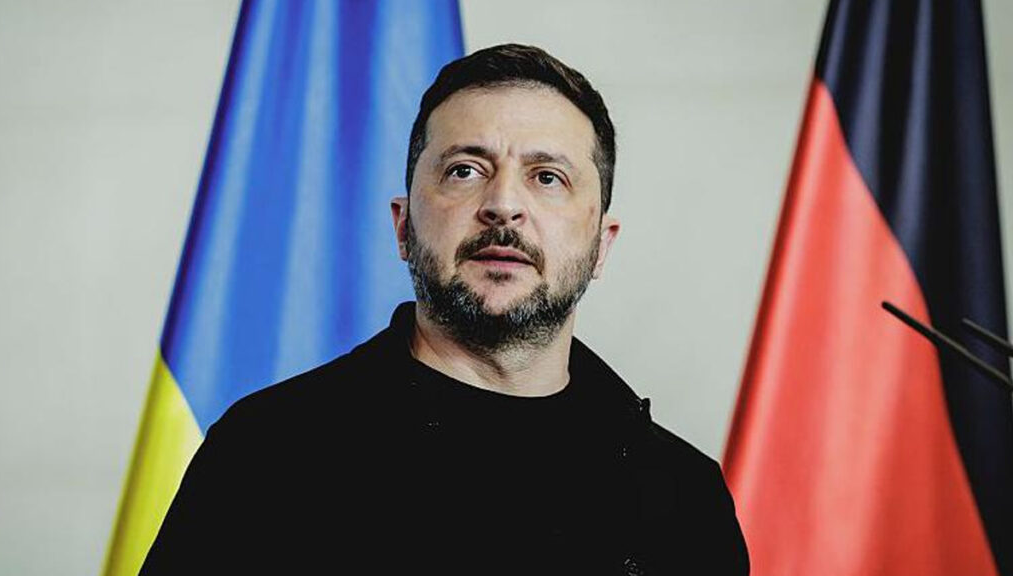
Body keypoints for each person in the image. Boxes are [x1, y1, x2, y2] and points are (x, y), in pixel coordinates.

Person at [140, 43, 748, 575]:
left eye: (547, 177)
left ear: (601, 244)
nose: (503, 204)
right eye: (464, 170)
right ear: (403, 227)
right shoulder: (266, 456)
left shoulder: (683, 495)